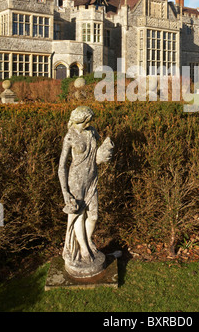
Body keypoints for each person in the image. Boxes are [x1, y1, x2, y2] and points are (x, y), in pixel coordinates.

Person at [58, 106, 113, 275]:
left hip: (92, 179)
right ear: (78, 120)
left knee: (94, 215)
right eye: (86, 121)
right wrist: (65, 192)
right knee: (78, 216)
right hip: (76, 181)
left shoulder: (92, 132)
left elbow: (94, 156)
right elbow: (61, 167)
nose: (89, 123)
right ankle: (83, 249)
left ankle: (88, 241)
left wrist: (104, 152)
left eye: (90, 121)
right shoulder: (70, 136)